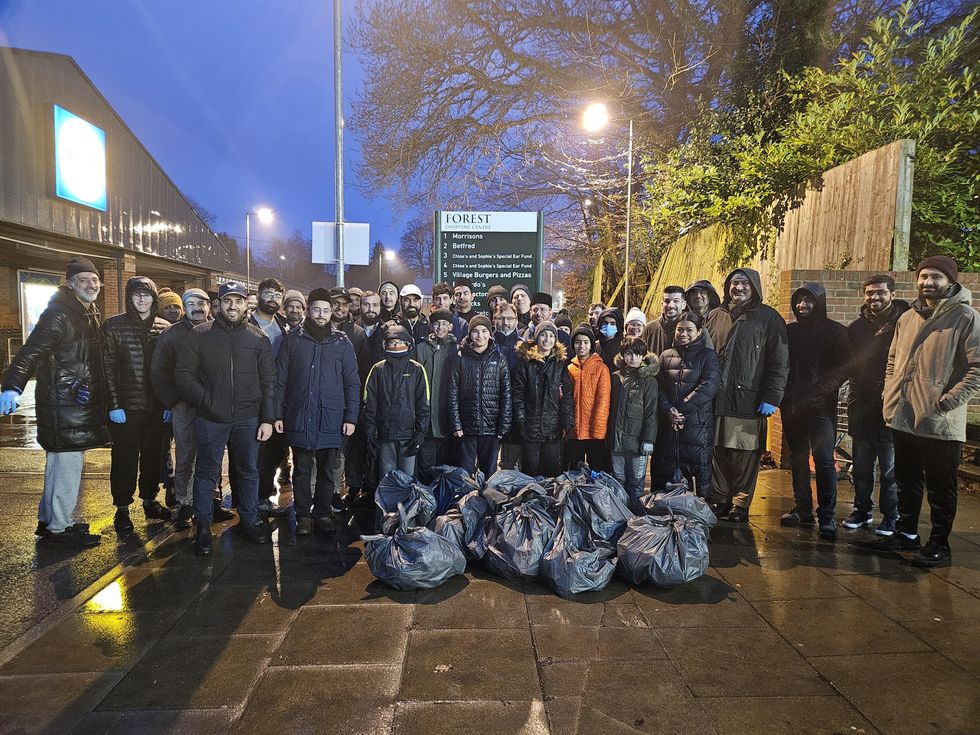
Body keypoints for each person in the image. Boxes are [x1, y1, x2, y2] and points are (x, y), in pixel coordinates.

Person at [864, 257, 980, 568]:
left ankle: (940, 544)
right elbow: (893, 361)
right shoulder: (908, 318)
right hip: (904, 416)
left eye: (936, 277)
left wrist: (946, 402)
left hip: (940, 422)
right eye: (924, 276)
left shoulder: (966, 318)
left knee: (941, 489)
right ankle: (906, 533)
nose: (928, 282)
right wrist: (890, 394)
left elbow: (977, 369)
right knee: (907, 482)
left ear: (950, 281)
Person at [0, 258, 108, 547]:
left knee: (59, 464)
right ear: (70, 283)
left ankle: (50, 520)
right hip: (63, 405)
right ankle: (60, 528)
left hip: (69, 403)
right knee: (67, 465)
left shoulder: (84, 312)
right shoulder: (60, 314)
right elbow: (31, 351)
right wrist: (12, 386)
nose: (91, 285)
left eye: (94, 280)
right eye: (83, 280)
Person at [175, 281, 276, 555]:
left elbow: (269, 381)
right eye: (228, 301)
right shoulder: (199, 334)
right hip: (210, 418)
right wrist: (206, 401)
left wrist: (267, 419)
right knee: (207, 472)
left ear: (245, 304)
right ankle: (203, 527)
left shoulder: (258, 338)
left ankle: (249, 519)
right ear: (218, 304)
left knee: (248, 471)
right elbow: (183, 374)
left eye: (238, 301)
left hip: (248, 418)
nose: (233, 306)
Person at [704, 268, 789, 522]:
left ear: (754, 287)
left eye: (744, 283)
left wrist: (772, 397)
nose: (738, 288)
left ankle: (740, 503)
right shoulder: (715, 316)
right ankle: (721, 499)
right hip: (716, 399)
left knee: (745, 454)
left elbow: (779, 362)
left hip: (748, 400)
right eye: (734, 283)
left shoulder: (768, 318)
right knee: (718, 452)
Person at [275, 289, 359, 535]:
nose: (321, 315)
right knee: (301, 470)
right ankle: (303, 515)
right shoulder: (293, 340)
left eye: (325, 310)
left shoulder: (341, 342)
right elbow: (280, 380)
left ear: (331, 312)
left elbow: (352, 382)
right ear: (308, 310)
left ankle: (322, 513)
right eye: (316, 309)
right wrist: (277, 414)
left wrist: (351, 417)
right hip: (300, 414)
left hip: (331, 417)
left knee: (327, 470)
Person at [151, 288, 232, 529]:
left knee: (213, 455)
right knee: (186, 455)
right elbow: (159, 371)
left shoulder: (220, 330)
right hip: (185, 406)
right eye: (191, 303)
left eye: (201, 303)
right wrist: (174, 400)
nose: (197, 307)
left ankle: (212, 501)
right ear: (185, 307)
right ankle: (184, 503)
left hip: (213, 406)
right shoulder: (171, 334)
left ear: (209, 306)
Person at [779, 283, 851, 538]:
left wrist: (823, 389)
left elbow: (846, 366)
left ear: (819, 302)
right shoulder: (790, 331)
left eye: (808, 300)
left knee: (824, 460)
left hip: (821, 408)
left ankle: (827, 515)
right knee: (798, 458)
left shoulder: (836, 332)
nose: (802, 305)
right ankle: (803, 509)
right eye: (799, 300)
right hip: (792, 405)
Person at [101, 276, 172, 533]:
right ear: (129, 298)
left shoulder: (164, 327)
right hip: (127, 407)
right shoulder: (113, 326)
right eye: (136, 294)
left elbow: (169, 369)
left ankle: (150, 500)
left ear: (154, 299)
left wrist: (168, 402)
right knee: (124, 458)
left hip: (156, 407)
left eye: (147, 295)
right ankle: (122, 508)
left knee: (154, 457)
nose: (142, 299)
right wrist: (113, 404)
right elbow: (107, 368)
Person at [843, 275, 910, 535]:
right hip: (862, 405)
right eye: (870, 293)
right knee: (862, 465)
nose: (875, 297)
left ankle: (891, 516)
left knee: (890, 469)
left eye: (880, 292)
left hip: (891, 404)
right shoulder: (856, 328)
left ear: (892, 294)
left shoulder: (904, 323)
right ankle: (862, 510)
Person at [654, 313, 721, 497]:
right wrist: (668, 410)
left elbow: (708, 387)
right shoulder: (665, 356)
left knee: (695, 478)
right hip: (668, 427)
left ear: (699, 332)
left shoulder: (708, 356)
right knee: (664, 475)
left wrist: (680, 412)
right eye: (680, 329)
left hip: (696, 427)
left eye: (689, 330)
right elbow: (658, 387)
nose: (683, 334)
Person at [363, 323, 430, 478]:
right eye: (392, 343)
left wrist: (420, 434)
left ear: (408, 344)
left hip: (408, 437)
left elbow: (424, 405)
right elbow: (369, 404)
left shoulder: (417, 369)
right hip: (384, 436)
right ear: (384, 344)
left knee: (407, 479)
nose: (395, 346)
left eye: (399, 342)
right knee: (387, 479)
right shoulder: (377, 369)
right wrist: (370, 433)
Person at [450, 315, 512, 478]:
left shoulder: (499, 359)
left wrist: (503, 426)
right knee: (464, 474)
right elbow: (452, 393)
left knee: (489, 474)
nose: (480, 335)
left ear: (490, 333)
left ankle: (487, 495)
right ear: (469, 334)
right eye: (475, 331)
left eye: (484, 331)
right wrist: (456, 424)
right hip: (466, 428)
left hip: (491, 427)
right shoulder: (460, 358)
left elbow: (506, 395)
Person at [249, 278, 291, 516]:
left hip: (277, 398)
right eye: (268, 293)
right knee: (252, 453)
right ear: (258, 295)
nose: (273, 298)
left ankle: (263, 496)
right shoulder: (247, 323)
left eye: (277, 295)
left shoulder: (283, 325)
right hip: (252, 398)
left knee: (275, 450)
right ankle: (248, 501)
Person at [512, 320, 573, 477]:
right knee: (530, 471)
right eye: (543, 335)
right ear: (537, 338)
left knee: (552, 472)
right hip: (530, 427)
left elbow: (566, 397)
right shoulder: (525, 362)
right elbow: (518, 394)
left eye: (551, 336)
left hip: (553, 428)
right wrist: (520, 421)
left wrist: (567, 422)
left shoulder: (560, 364)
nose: (547, 339)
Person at [608, 337, 659, 507]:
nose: (633, 358)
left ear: (643, 356)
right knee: (618, 480)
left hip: (637, 441)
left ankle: (636, 514)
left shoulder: (649, 380)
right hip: (616, 441)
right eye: (629, 354)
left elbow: (651, 412)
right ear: (623, 355)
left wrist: (648, 440)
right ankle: (620, 513)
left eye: (638, 354)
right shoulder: (615, 377)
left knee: (637, 481)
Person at [415, 308, 460, 482]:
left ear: (450, 326)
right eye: (436, 323)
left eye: (444, 323)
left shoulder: (457, 349)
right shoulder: (421, 348)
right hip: (426, 419)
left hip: (447, 419)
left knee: (447, 466)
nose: (440, 327)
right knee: (425, 465)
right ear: (431, 326)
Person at [566, 324, 611, 471]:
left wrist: (599, 428)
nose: (582, 346)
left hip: (594, 429)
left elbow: (603, 400)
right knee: (574, 469)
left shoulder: (601, 368)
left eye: (586, 342)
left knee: (596, 469)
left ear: (591, 345)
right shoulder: (570, 368)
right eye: (578, 342)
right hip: (575, 429)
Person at [493, 303, 523, 470]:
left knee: (509, 464)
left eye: (510, 318)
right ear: (494, 319)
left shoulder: (524, 347)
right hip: (491, 406)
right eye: (501, 318)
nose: (505, 322)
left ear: (516, 320)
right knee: (488, 462)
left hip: (514, 406)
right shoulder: (487, 343)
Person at [643, 286, 688, 355]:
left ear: (683, 305)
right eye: (667, 301)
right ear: (662, 304)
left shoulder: (691, 329)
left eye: (676, 301)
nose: (670, 305)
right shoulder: (650, 329)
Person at [394, 284, 430, 348]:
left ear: (421, 302)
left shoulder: (429, 325)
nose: (412, 304)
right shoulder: (393, 325)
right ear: (400, 302)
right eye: (407, 300)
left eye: (415, 300)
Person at [596, 307, 623, 372]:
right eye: (605, 323)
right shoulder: (596, 346)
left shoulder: (624, 346)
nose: (608, 326)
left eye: (612, 323)